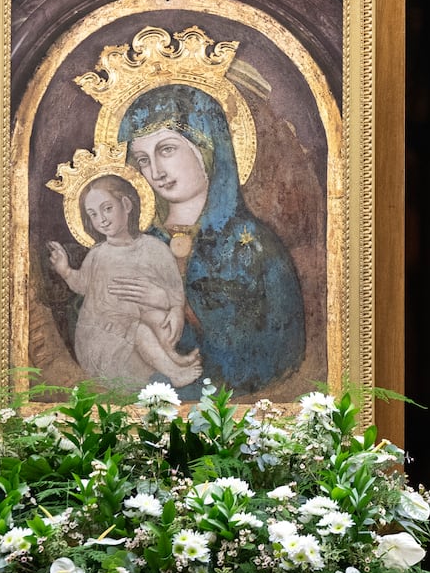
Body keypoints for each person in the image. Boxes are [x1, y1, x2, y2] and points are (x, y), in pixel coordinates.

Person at [117, 83, 306, 397]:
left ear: (206, 148)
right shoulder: (133, 243)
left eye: (166, 150)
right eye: (143, 159)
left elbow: (279, 352)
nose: (156, 171)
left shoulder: (255, 246)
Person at [47, 174, 202, 390]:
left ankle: (173, 359)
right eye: (93, 214)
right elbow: (81, 285)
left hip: (138, 336)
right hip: (102, 338)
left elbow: (175, 290)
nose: (101, 219)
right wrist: (64, 270)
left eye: (107, 208)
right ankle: (174, 372)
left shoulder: (156, 249)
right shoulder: (98, 254)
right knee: (139, 330)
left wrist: (175, 309)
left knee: (159, 319)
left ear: (126, 204)